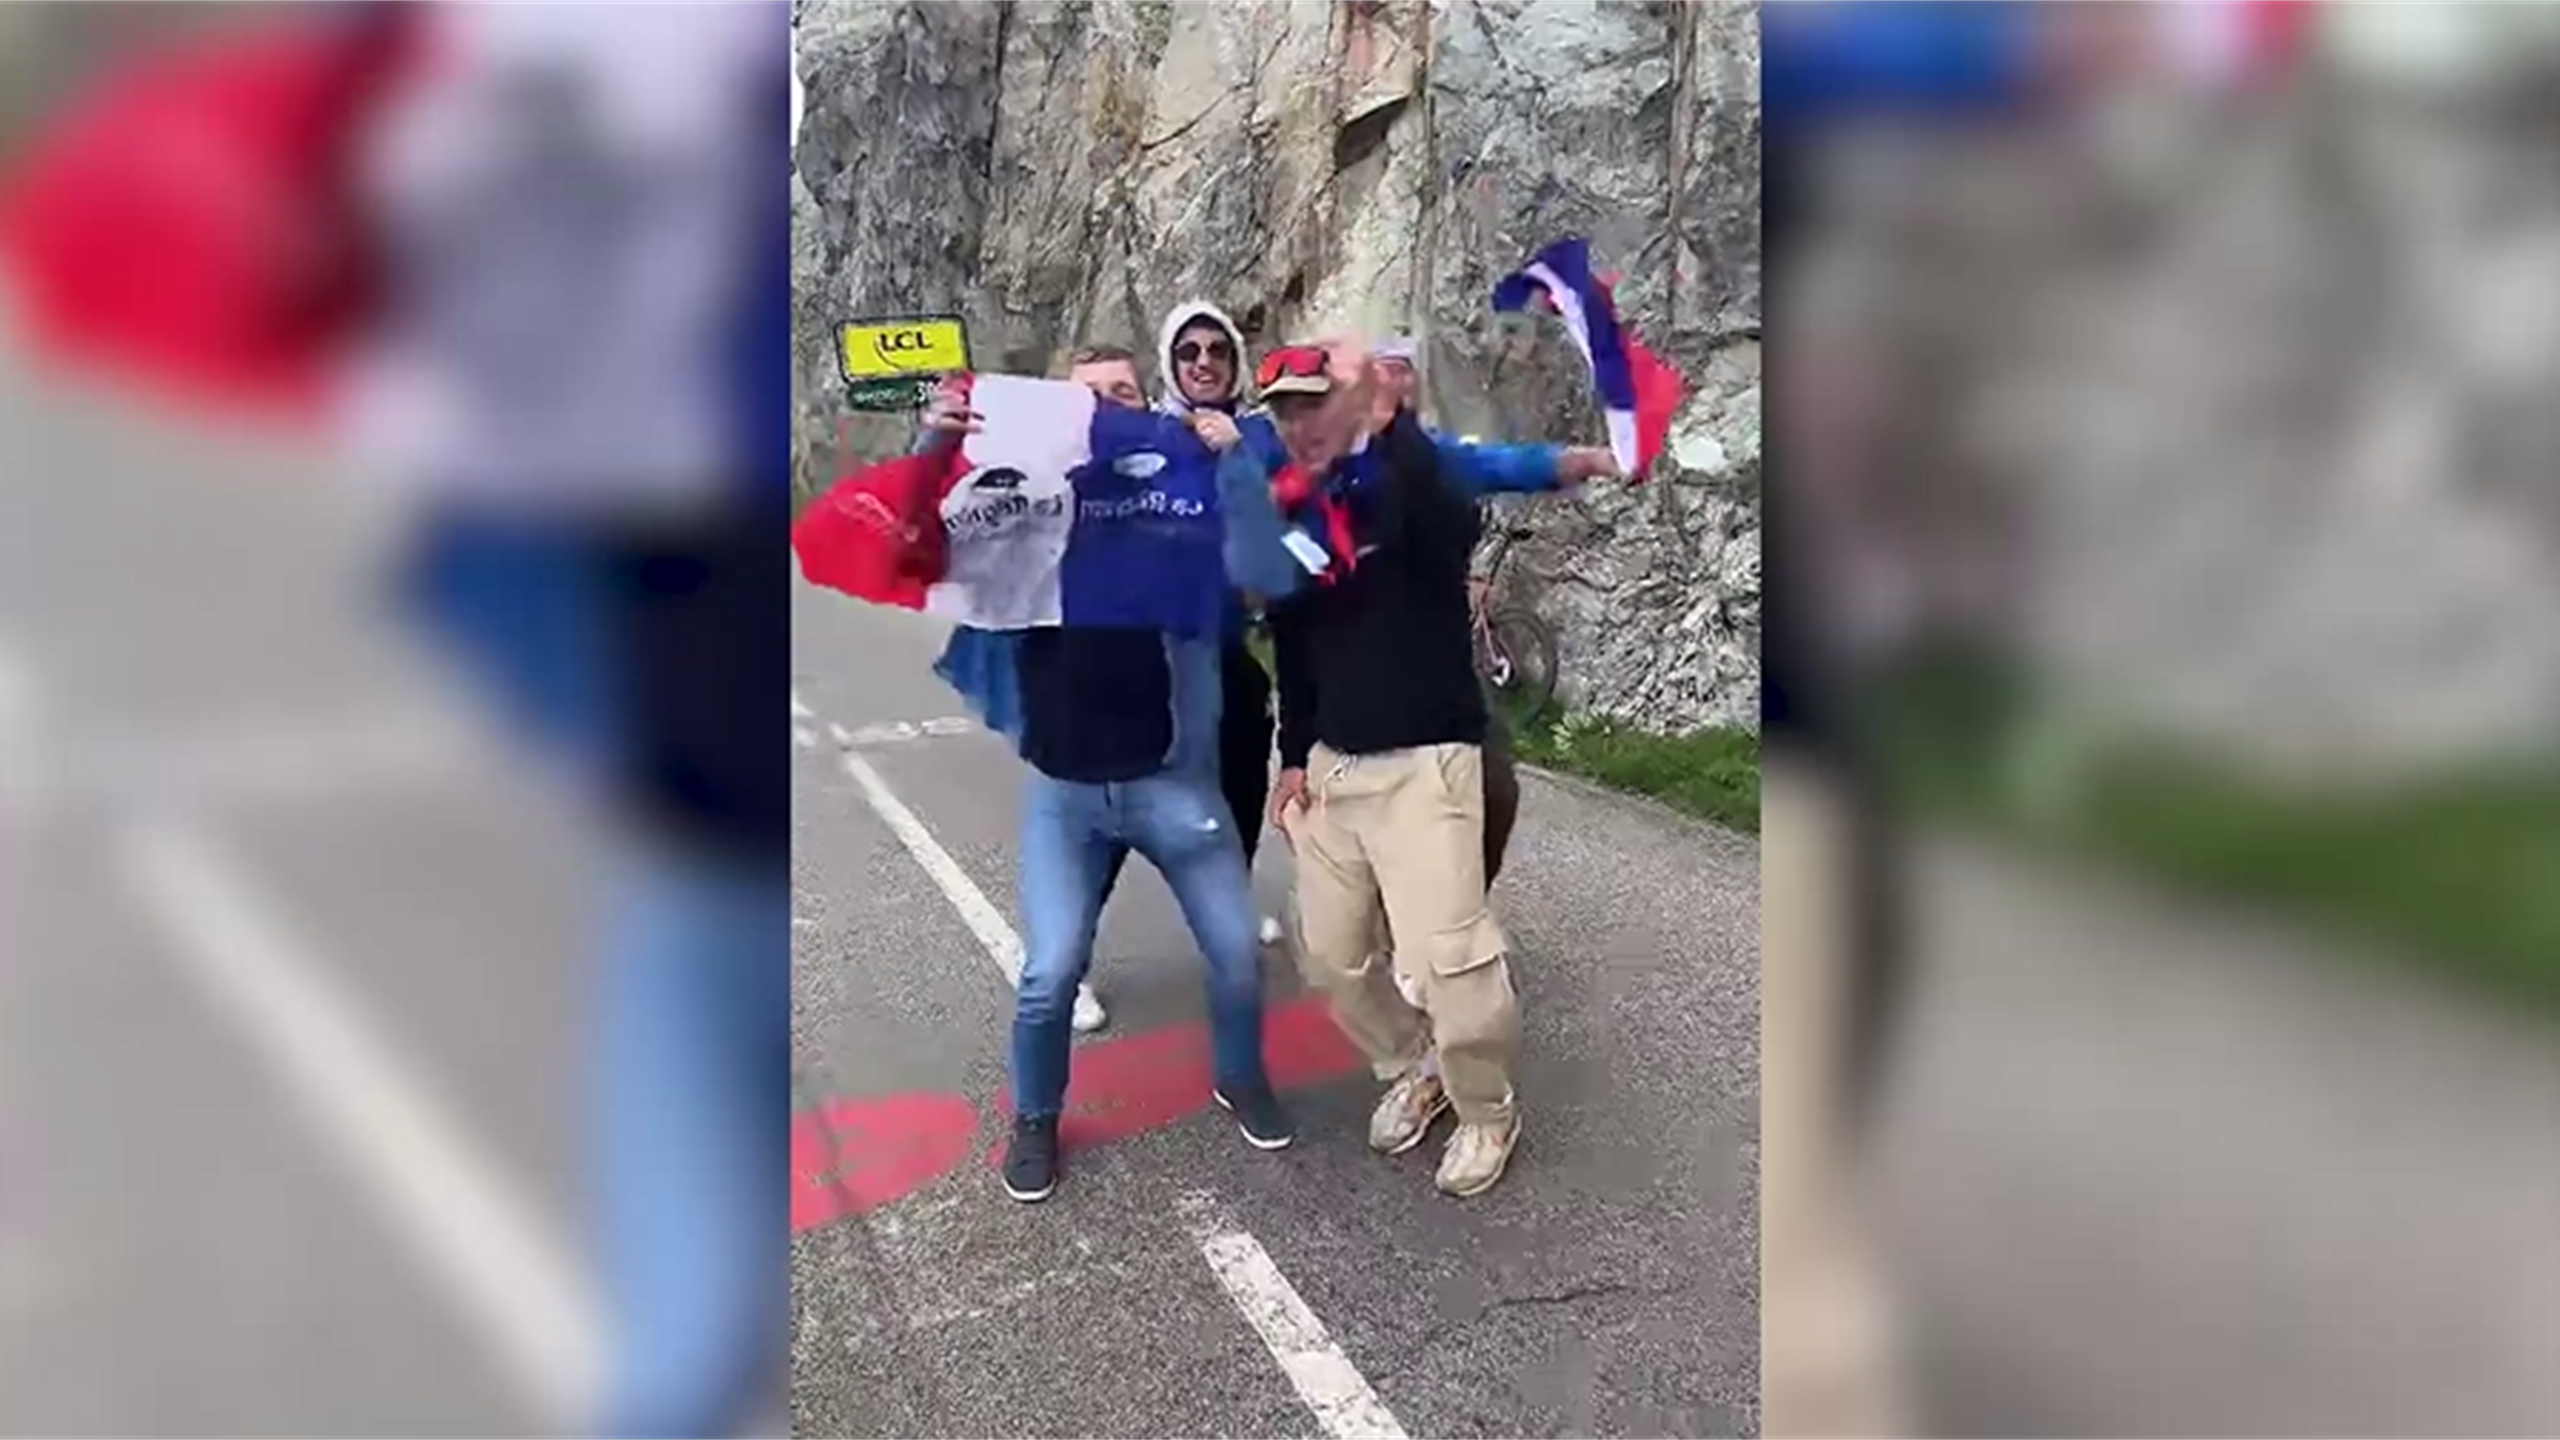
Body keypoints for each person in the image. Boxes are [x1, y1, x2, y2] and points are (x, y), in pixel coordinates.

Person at [916, 358, 1294, 1204]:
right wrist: (935, 447)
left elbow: (1266, 562)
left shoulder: (1181, 514)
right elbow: (925, 541)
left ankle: (1240, 1075)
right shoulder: (1026, 521)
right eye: (1085, 396)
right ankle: (1036, 1117)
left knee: (1237, 953)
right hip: (1068, 799)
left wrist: (1234, 457)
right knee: (1050, 972)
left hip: (1174, 788)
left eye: (1123, 393)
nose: (1105, 408)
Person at [1253, 339, 1528, 1199]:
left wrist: (1393, 424)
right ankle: (1416, 1065)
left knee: (1453, 963)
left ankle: (1487, 1110)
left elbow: (1451, 517)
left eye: (1316, 403)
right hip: (1334, 769)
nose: (1303, 422)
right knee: (1330, 957)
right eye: (1287, 411)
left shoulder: (1410, 486)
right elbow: (1295, 651)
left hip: (1427, 763)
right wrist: (1291, 759)